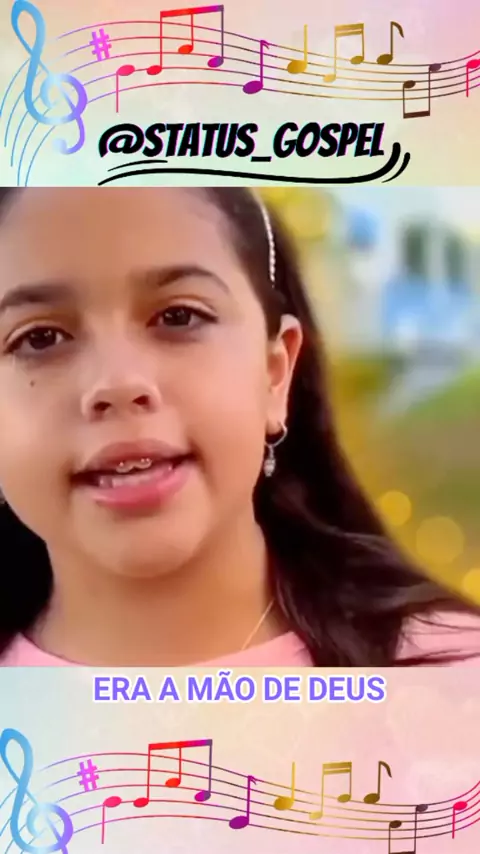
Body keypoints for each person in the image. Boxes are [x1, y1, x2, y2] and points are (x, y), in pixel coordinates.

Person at [0, 186, 478, 668]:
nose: (119, 384)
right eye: (40, 338)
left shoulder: (456, 679)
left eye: (178, 316)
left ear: (275, 373)